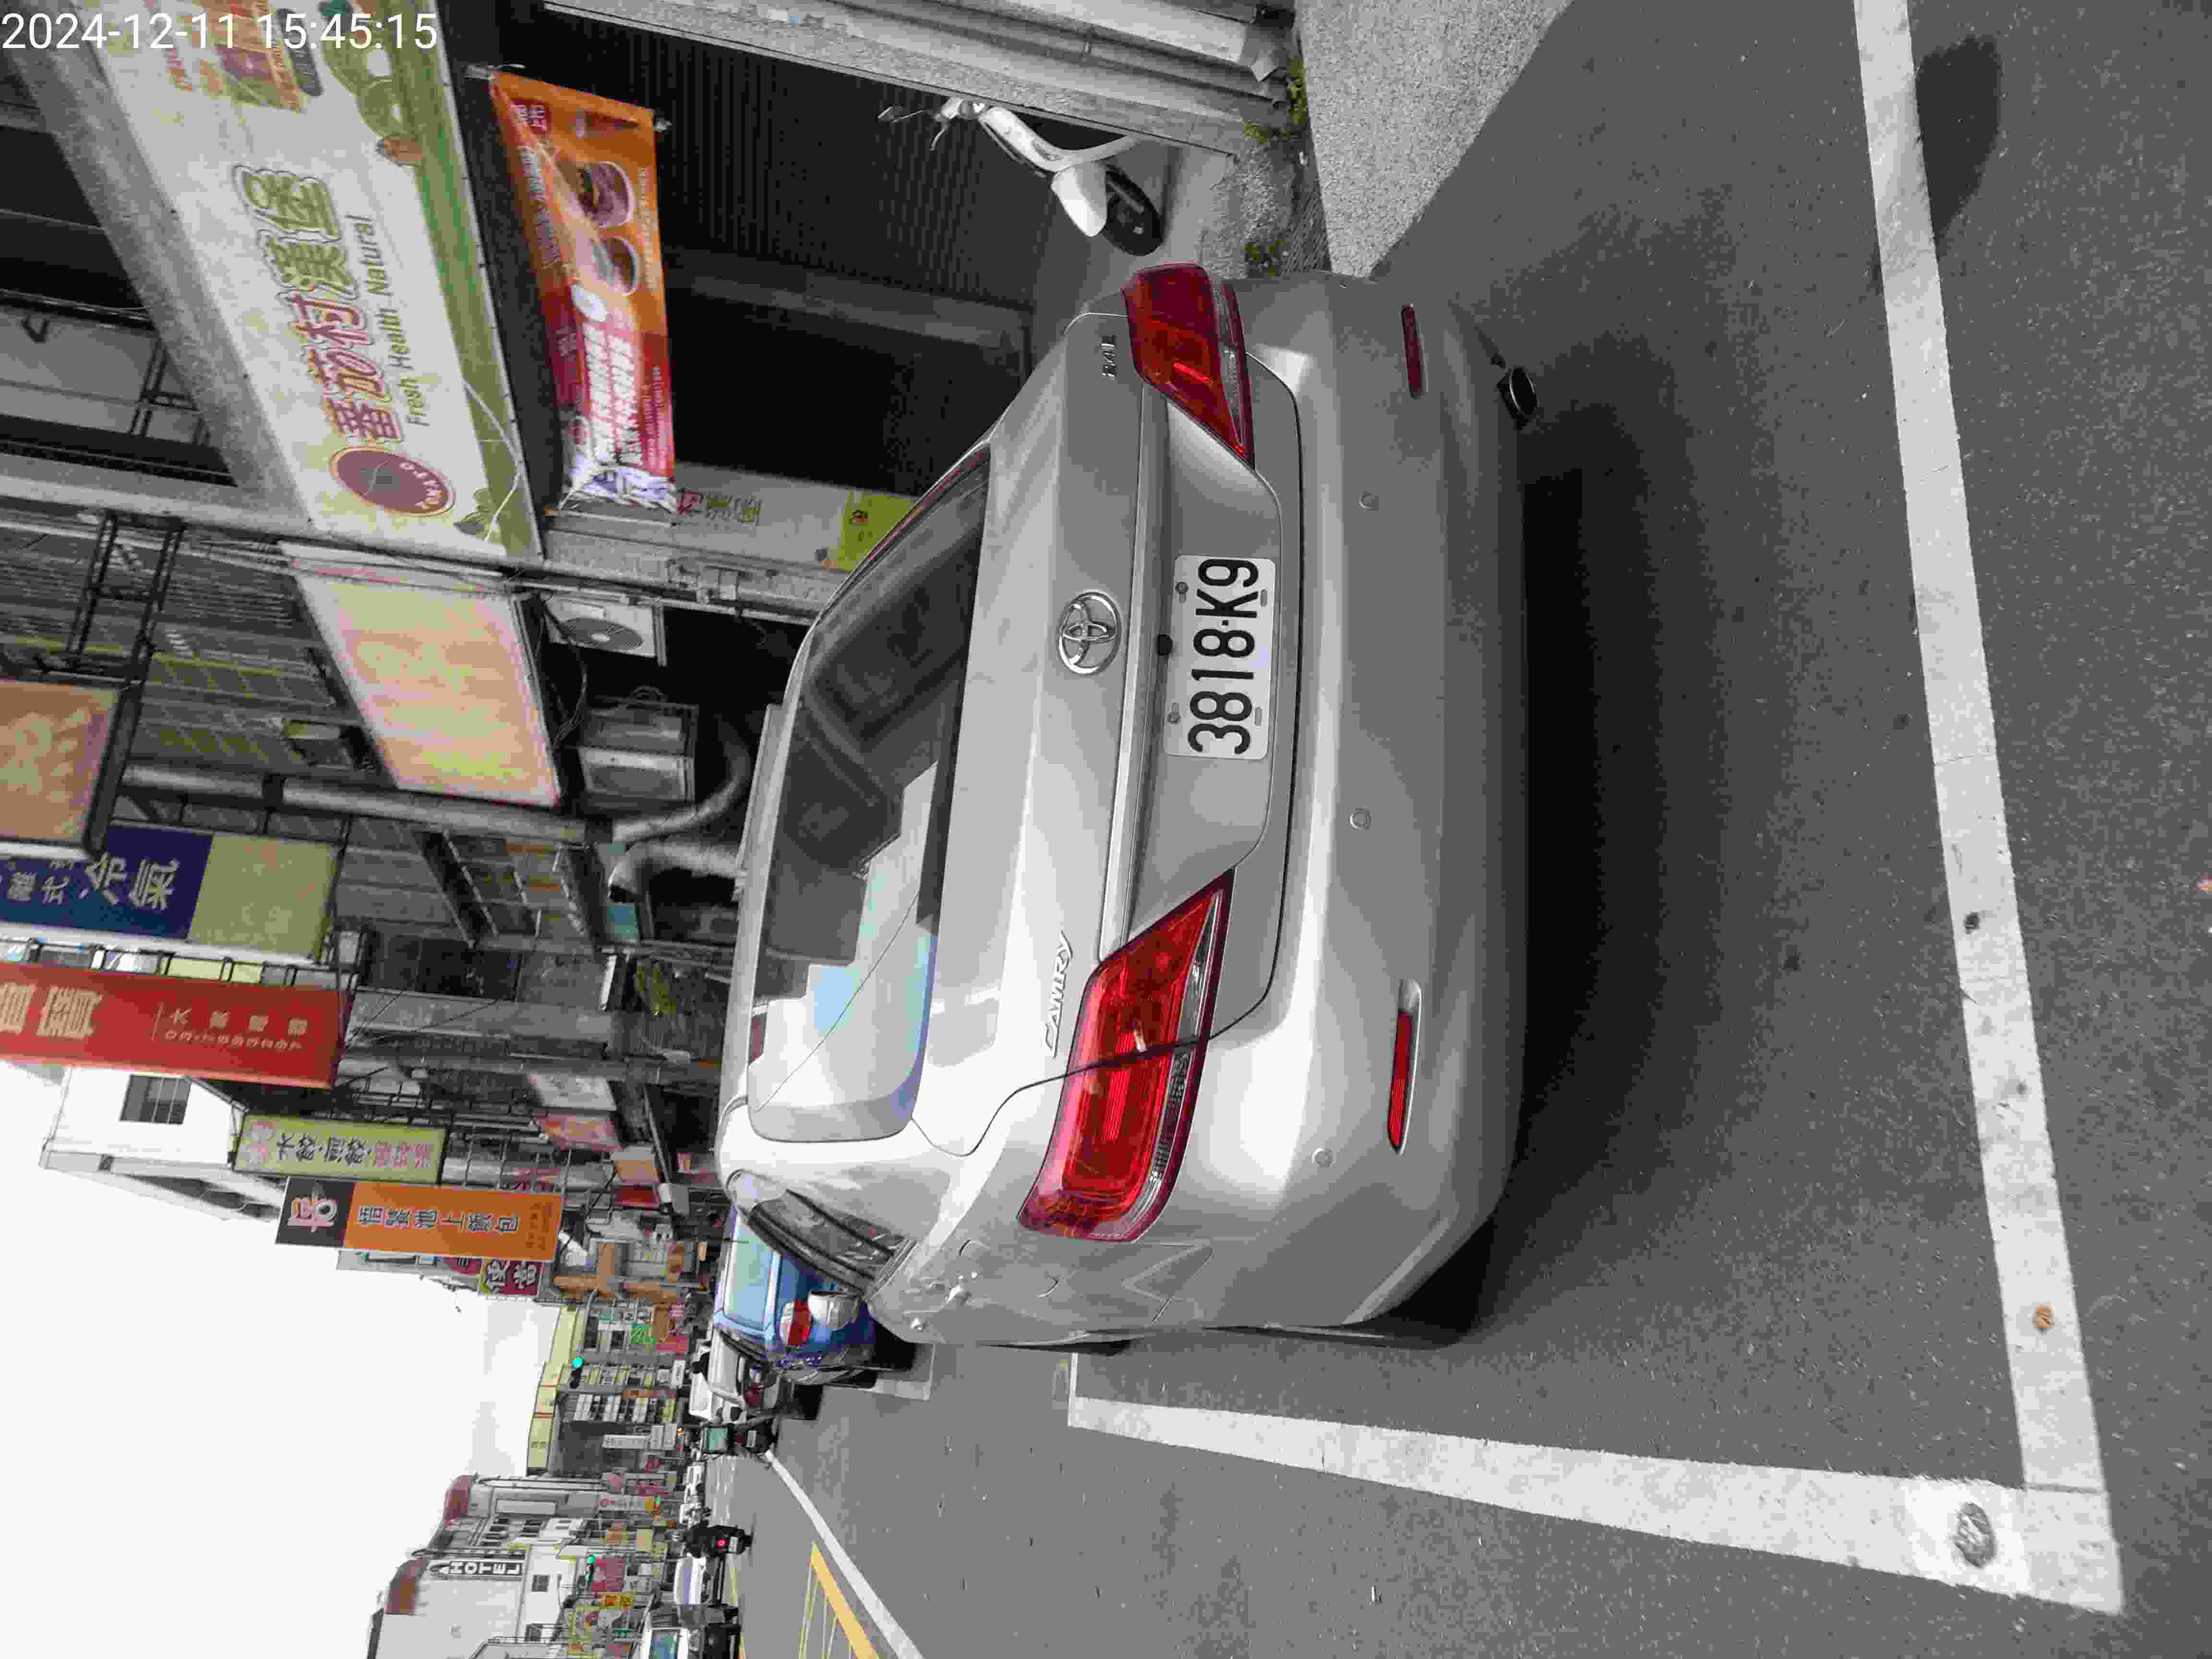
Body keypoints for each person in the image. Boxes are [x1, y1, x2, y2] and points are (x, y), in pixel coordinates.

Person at [683, 1518, 753, 1559]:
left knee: (720, 1552)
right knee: (720, 1528)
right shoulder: (692, 1530)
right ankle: (738, 1533)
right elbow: (706, 1523)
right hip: (714, 1535)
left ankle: (735, 1549)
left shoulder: (689, 1547)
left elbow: (698, 1556)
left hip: (712, 1548)